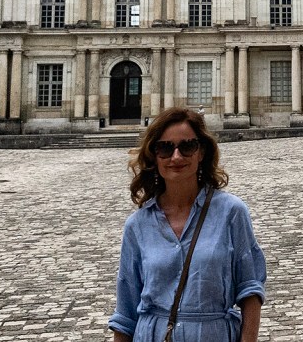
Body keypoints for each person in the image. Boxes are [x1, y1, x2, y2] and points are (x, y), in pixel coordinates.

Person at [109, 107, 265, 342]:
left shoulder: (231, 212)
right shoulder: (137, 225)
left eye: (187, 146)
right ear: (154, 155)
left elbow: (250, 289)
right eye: (165, 148)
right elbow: (125, 313)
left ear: (201, 152)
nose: (176, 157)